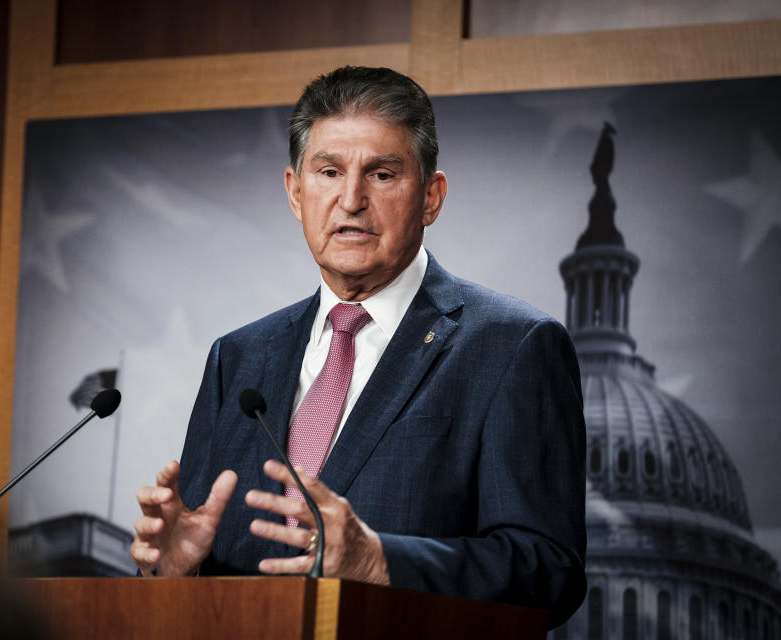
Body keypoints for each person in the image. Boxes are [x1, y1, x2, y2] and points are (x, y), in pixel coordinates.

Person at [131, 66, 587, 626]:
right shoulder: (238, 357)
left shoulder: (513, 346)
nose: (351, 199)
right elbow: (195, 565)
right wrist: (175, 571)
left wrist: (380, 561)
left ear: (431, 197)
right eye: (328, 172)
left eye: (383, 174)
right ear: (297, 194)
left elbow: (549, 571)